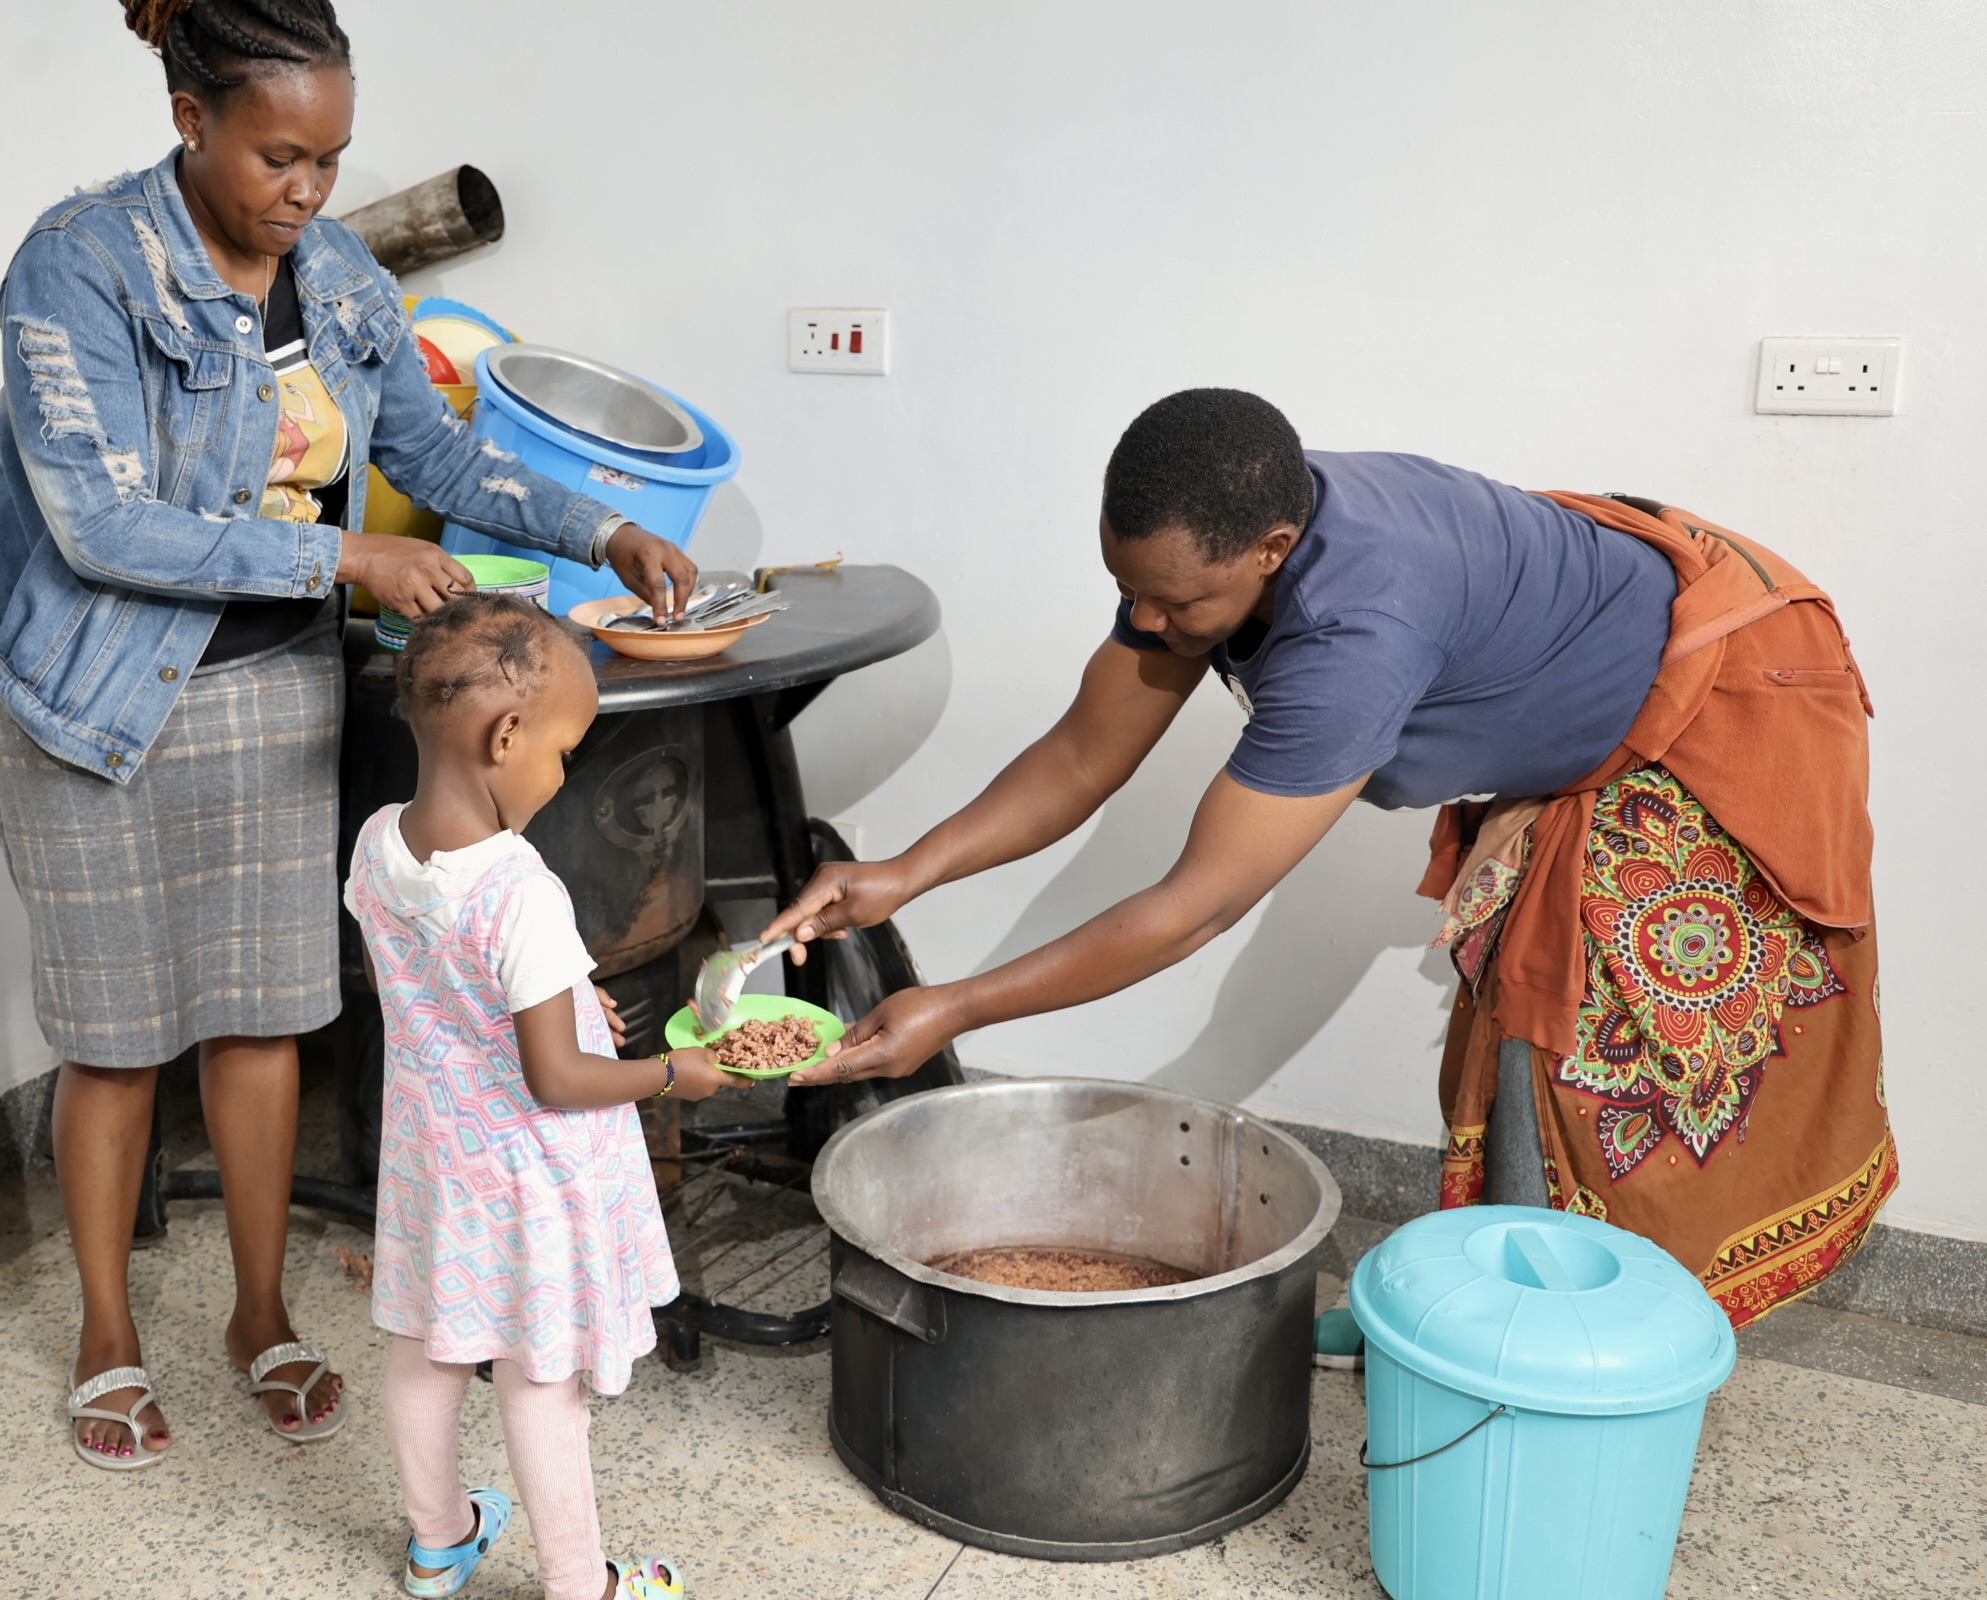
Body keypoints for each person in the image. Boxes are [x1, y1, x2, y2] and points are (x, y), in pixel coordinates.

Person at [770, 387, 1893, 1341]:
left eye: (1181, 601)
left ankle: (1588, 1345)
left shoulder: (1355, 635)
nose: (1151, 624)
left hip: (1722, 693)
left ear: (1270, 549)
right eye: (1133, 591)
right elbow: (1079, 755)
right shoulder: (1212, 539)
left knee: (1596, 1054)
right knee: (1519, 1025)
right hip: (1606, 650)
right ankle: (1491, 1309)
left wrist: (950, 1007)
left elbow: (1193, 907)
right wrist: (899, 875)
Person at [0, 0, 698, 1468]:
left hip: (270, 697)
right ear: (191, 119)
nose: (307, 191)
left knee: (265, 1019)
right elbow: (97, 517)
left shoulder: (337, 276)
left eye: (329, 158)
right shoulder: (77, 265)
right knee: (115, 1041)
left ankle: (260, 1313)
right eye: (277, 156)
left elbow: (429, 451)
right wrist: (342, 562)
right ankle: (108, 1332)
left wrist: (604, 524)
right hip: (99, 694)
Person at [346, 593, 735, 1600]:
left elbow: (444, 973)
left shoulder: (378, 844)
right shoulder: (519, 886)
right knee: (540, 1375)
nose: (563, 776)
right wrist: (669, 1075)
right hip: (530, 1177)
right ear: (505, 734)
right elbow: (555, 1076)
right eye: (564, 752)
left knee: (428, 1346)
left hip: (436, 1160)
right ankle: (582, 1583)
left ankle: (439, 1543)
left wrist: (563, 988)